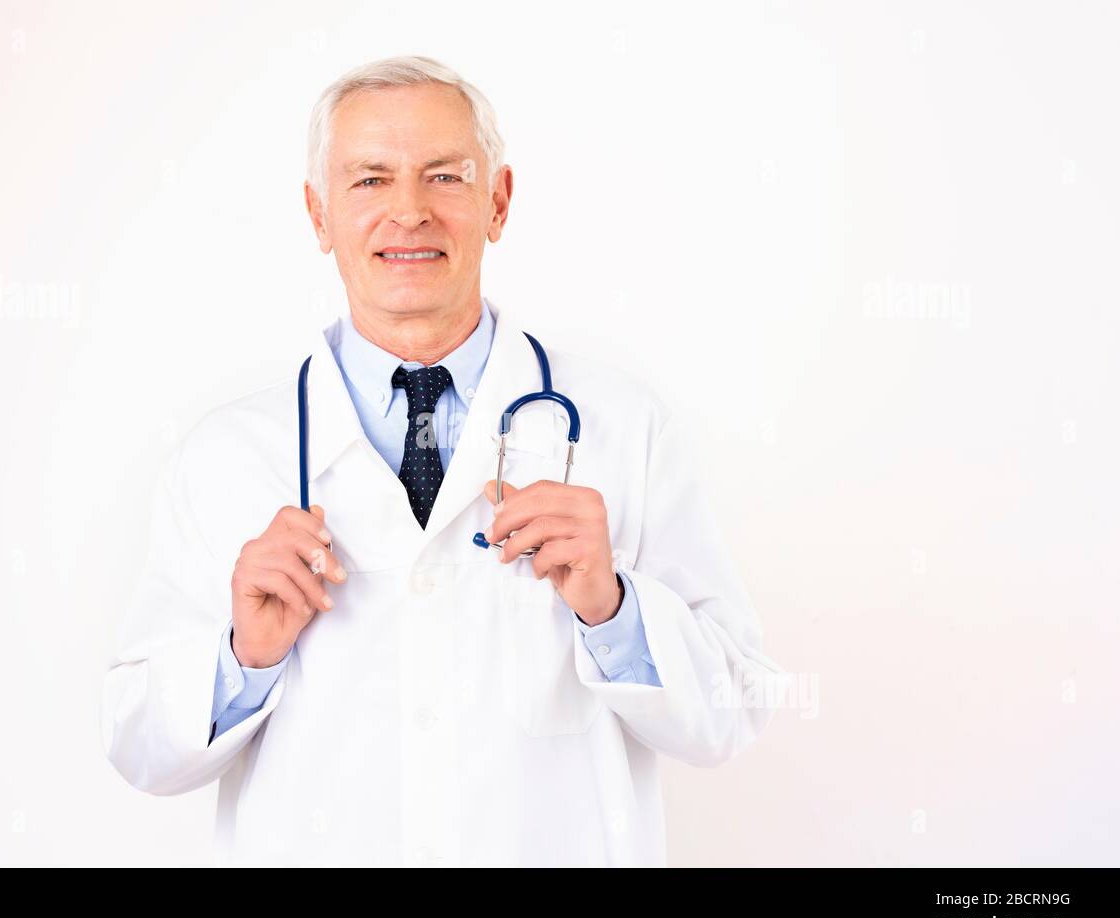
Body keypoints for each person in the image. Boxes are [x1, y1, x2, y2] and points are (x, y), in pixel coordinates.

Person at [101, 55, 784, 867]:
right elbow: (139, 743)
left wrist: (615, 609)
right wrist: (241, 658)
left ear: (497, 201)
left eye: (445, 177)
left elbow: (735, 708)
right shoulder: (224, 459)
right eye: (369, 181)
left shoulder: (624, 428)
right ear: (318, 216)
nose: (409, 211)